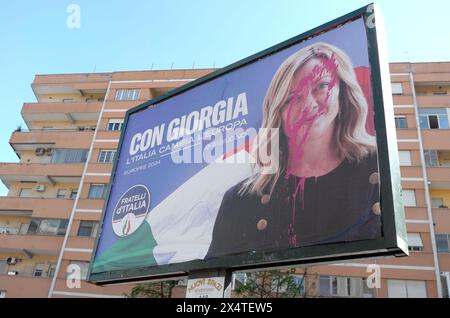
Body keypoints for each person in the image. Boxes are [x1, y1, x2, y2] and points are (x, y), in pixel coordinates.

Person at [206, 42, 381, 259]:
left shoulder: (379, 168)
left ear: (342, 92)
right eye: (293, 97)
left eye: (321, 86)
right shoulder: (240, 199)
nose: (308, 104)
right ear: (278, 112)